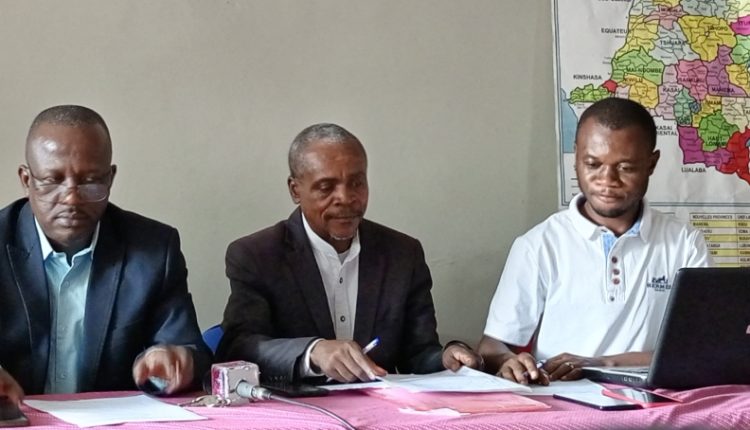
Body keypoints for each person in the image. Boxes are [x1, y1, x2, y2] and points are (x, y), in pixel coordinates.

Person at [217, 123, 482, 383]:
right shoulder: (257, 255)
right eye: (326, 187)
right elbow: (240, 347)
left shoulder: (402, 254)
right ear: (295, 190)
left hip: (382, 406)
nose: (345, 197)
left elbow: (419, 353)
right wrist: (313, 352)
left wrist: (447, 358)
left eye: (356, 183)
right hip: (296, 405)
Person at [478, 98, 711, 385]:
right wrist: (508, 361)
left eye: (625, 167)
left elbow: (700, 349)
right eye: (593, 164)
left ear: (651, 164)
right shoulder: (539, 245)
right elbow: (492, 346)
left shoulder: (685, 243)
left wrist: (600, 364)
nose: (607, 180)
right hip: (563, 399)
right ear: (575, 156)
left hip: (655, 401)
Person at [0, 105, 211, 404]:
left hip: (114, 421)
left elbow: (190, 350)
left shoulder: (153, 250)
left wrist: (177, 359)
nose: (71, 198)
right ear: (26, 180)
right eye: (53, 180)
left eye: (89, 181)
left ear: (110, 178)